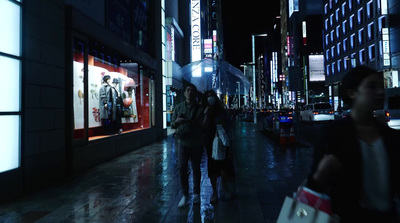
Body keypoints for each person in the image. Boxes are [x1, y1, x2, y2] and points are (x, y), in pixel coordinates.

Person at [308, 66, 400, 222]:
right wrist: (321, 173)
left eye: (381, 86)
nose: (380, 92)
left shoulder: (390, 136)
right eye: (371, 86)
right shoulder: (332, 134)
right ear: (352, 93)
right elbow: (314, 185)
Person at [171, 84, 204, 207]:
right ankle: (185, 194)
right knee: (182, 168)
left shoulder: (200, 109)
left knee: (196, 169)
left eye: (192, 91)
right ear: (184, 93)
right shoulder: (179, 108)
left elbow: (204, 126)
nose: (190, 93)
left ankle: (196, 194)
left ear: (195, 93)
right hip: (182, 143)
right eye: (188, 90)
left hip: (196, 143)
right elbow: (172, 125)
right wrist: (177, 122)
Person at [202, 90, 235, 203]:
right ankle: (214, 192)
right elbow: (202, 126)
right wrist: (206, 114)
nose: (211, 99)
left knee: (224, 167)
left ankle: (224, 188)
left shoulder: (222, 110)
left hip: (222, 141)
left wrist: (222, 126)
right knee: (212, 168)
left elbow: (229, 123)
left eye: (212, 97)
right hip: (209, 142)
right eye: (208, 97)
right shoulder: (204, 109)